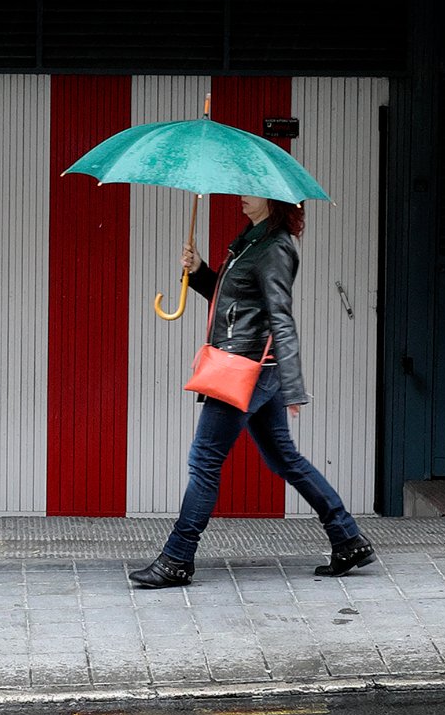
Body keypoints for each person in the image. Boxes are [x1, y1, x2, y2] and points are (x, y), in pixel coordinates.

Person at [129, 195, 376, 589]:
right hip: (255, 367)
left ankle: (177, 559)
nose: (243, 196)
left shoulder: (275, 248)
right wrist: (201, 271)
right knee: (285, 458)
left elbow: (281, 317)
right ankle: (348, 538)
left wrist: (294, 388)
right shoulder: (250, 241)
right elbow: (238, 303)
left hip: (245, 369)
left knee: (205, 460)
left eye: (251, 190)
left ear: (273, 200)